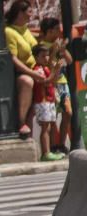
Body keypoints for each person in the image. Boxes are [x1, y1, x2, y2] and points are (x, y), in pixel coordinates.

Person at [38, 17, 74, 153]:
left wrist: (63, 50)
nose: (59, 32)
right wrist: (54, 50)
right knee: (52, 117)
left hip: (62, 83)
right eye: (57, 29)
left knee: (68, 112)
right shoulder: (42, 46)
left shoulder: (58, 44)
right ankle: (53, 146)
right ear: (50, 31)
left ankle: (62, 143)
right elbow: (47, 64)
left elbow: (69, 61)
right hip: (51, 84)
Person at [4, 1, 38, 137]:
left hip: (36, 70)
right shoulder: (9, 32)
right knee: (27, 81)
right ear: (20, 13)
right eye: (29, 12)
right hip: (20, 73)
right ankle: (22, 122)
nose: (31, 16)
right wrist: (33, 73)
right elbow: (13, 59)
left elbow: (35, 46)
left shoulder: (25, 29)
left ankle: (30, 127)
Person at [30, 45, 64, 162]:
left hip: (49, 101)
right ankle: (46, 152)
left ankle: (50, 150)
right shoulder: (37, 69)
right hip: (42, 101)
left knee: (49, 127)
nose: (46, 58)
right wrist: (54, 70)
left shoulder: (45, 69)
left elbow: (53, 81)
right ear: (36, 57)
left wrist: (57, 69)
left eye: (47, 55)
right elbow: (45, 81)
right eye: (43, 56)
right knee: (45, 128)